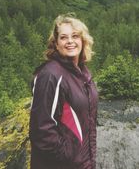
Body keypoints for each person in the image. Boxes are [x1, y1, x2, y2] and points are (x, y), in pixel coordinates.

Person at [29, 13, 98, 169]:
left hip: (84, 163)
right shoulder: (51, 75)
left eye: (75, 36)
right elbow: (41, 132)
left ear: (83, 41)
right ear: (56, 44)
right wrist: (69, 158)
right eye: (63, 37)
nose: (70, 41)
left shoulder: (83, 75)